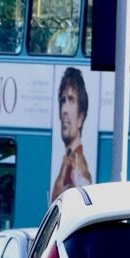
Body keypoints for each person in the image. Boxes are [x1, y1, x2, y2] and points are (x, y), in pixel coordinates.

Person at [50, 68, 93, 203]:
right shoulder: (66, 162)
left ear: (81, 117)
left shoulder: (79, 169)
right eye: (63, 101)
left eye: (71, 100)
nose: (64, 110)